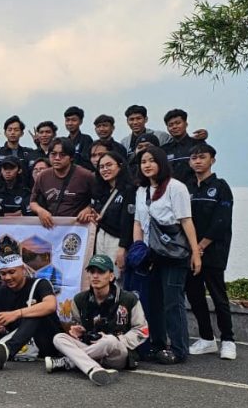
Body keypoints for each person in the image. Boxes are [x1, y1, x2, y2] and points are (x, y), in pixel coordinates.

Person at [133, 146, 201, 364]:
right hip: (151, 255)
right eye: (143, 161)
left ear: (161, 163)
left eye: (152, 160)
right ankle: (158, 344)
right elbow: (138, 223)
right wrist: (137, 250)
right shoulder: (141, 191)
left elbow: (186, 221)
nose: (147, 165)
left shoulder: (176, 187)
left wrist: (195, 253)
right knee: (152, 302)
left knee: (173, 302)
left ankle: (179, 349)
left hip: (174, 255)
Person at [46, 254, 148, 386]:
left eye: (100, 272)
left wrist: (119, 340)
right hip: (92, 347)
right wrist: (78, 330)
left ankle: (69, 362)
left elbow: (142, 330)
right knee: (59, 338)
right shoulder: (79, 299)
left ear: (111, 276)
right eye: (92, 271)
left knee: (109, 340)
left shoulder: (129, 299)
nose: (95, 276)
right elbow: (78, 325)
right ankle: (94, 369)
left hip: (117, 353)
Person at [184, 143, 236, 360]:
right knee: (194, 296)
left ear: (212, 160)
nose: (197, 161)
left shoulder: (221, 186)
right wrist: (192, 248)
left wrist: (201, 246)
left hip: (213, 251)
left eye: (202, 157)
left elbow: (221, 221)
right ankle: (206, 338)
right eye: (194, 158)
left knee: (218, 296)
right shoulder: (186, 187)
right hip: (190, 252)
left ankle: (228, 340)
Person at [82, 151, 135, 276]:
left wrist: (123, 248)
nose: (105, 169)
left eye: (109, 165)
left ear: (120, 166)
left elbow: (128, 222)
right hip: (101, 238)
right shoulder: (102, 191)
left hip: (117, 242)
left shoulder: (129, 190)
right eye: (101, 167)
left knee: (116, 278)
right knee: (101, 277)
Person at [30, 137, 95, 229]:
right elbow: (33, 202)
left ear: (71, 157)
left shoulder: (85, 175)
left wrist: (89, 209)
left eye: (62, 155)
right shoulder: (43, 176)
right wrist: (40, 211)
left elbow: (99, 200)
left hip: (78, 228)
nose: (57, 158)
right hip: (51, 226)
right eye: (53, 154)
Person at [161, 108, 204, 183]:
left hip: (195, 190)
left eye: (178, 123)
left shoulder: (198, 144)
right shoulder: (164, 149)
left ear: (186, 124)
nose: (174, 127)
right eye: (170, 125)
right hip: (171, 191)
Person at [64, 106, 94, 170]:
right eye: (67, 120)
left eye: (74, 120)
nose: (70, 123)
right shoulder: (64, 142)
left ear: (80, 121)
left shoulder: (86, 139)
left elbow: (87, 161)